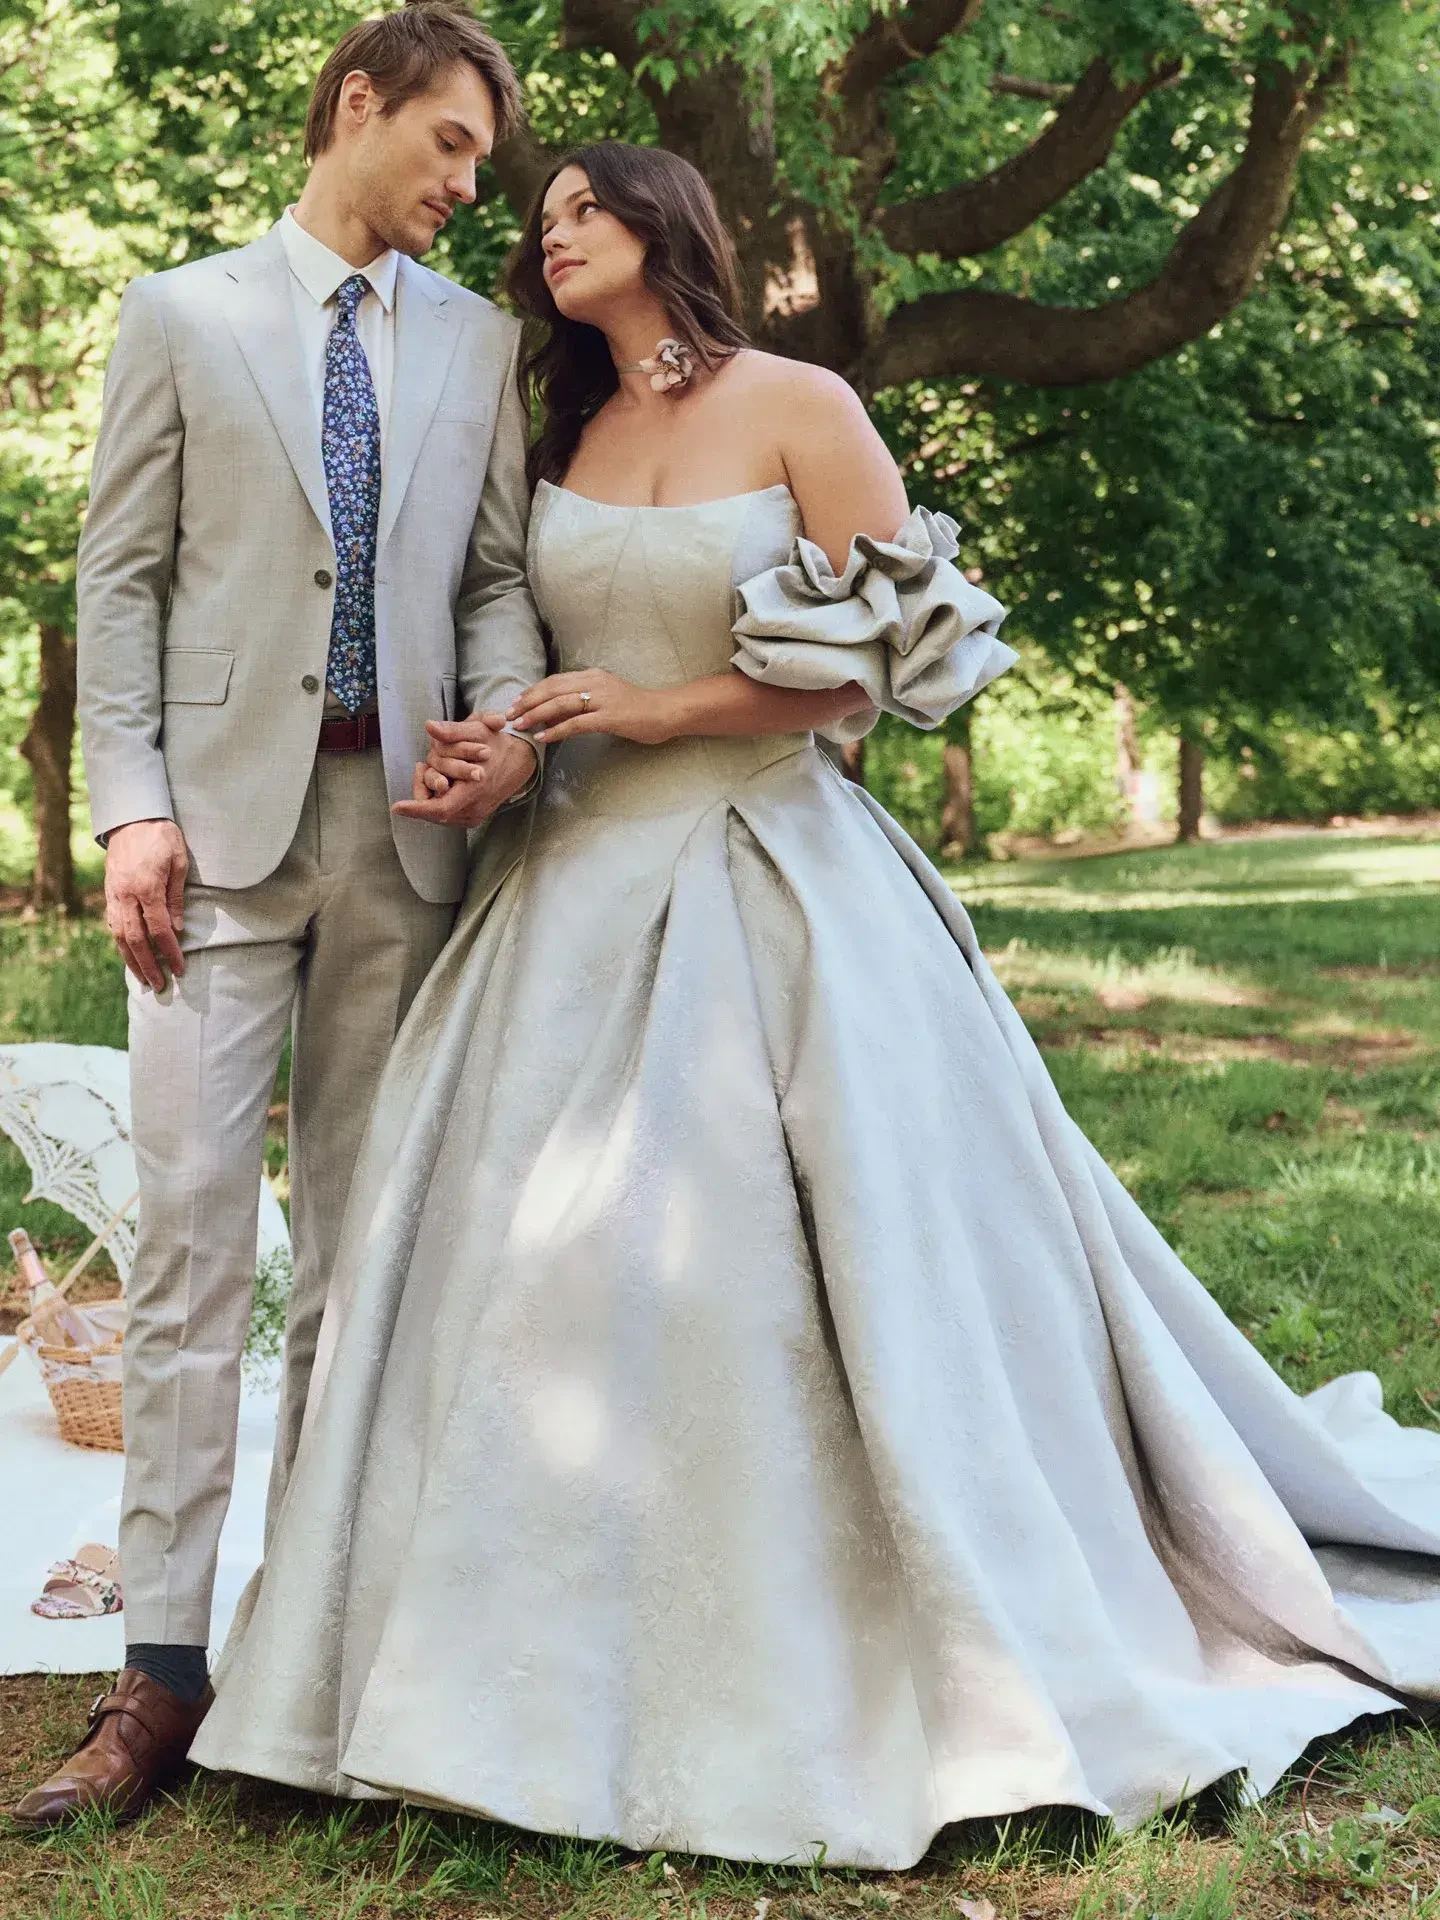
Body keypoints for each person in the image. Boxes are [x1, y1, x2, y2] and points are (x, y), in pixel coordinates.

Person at [194, 142, 1440, 1871]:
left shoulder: (802, 403)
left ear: (664, 227)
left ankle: (853, 1649)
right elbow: (529, 644)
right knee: (525, 1271)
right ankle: (477, 1670)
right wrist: (504, 754)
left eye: (579, 211)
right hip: (560, 889)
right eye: (536, 218)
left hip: (765, 876)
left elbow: (878, 676)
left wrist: (649, 710)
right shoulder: (563, 436)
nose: (547, 235)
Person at [11, 1, 547, 1830]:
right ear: (356, 105)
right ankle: (161, 1678)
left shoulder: (479, 345)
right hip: (214, 852)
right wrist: (131, 810)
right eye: (453, 147)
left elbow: (489, 577)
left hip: (404, 842)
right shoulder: (181, 313)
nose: (474, 190)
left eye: (487, 161)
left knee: (358, 1262)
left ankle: (304, 1666)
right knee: (184, 1257)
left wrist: (494, 737)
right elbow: (123, 579)